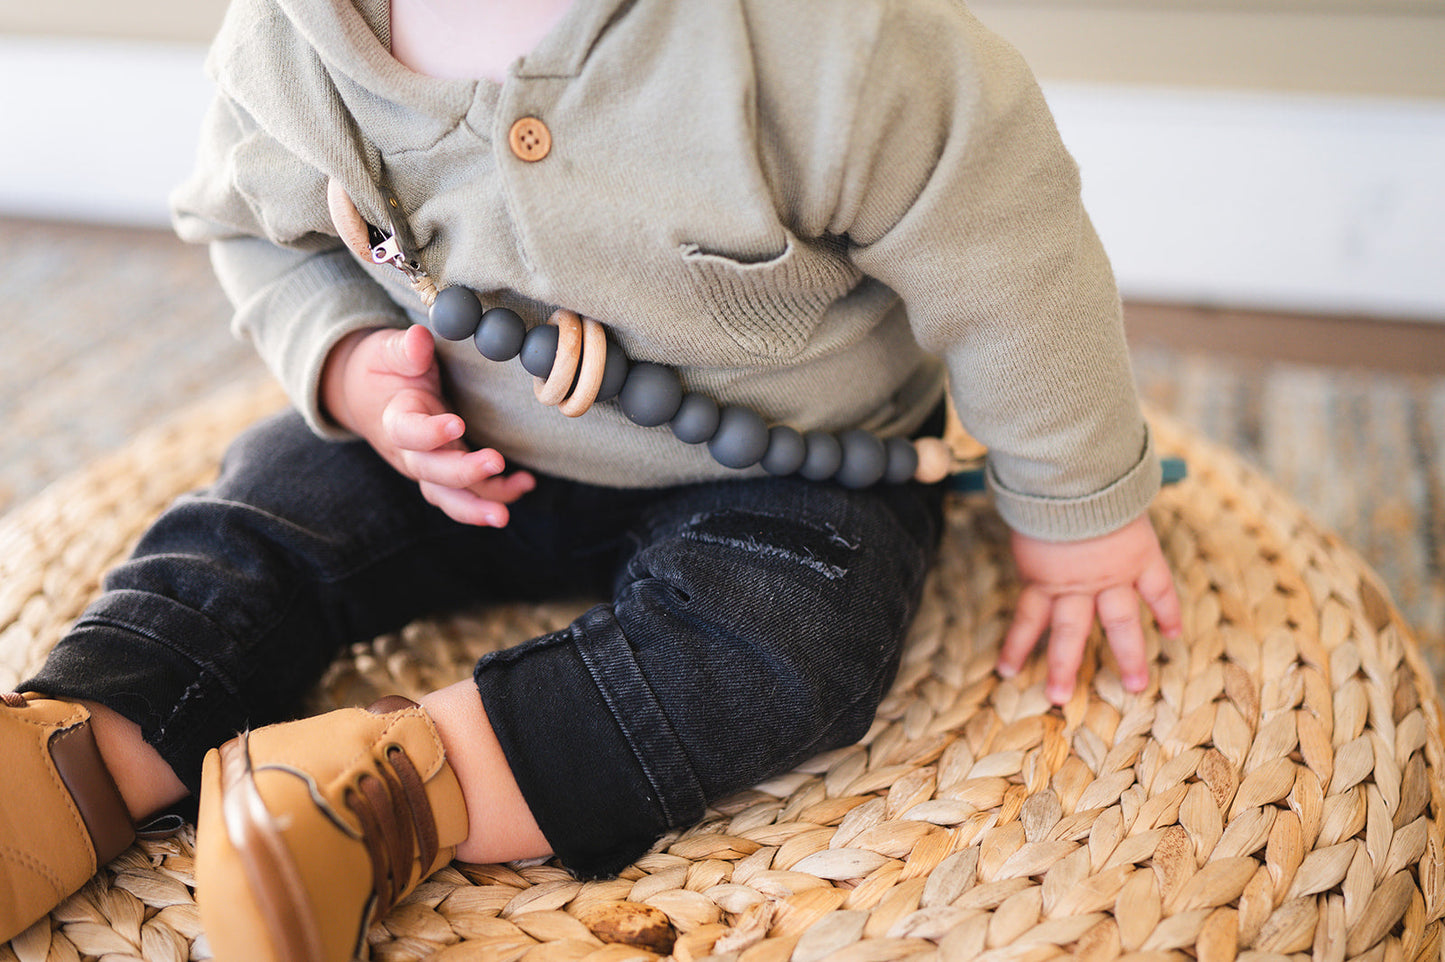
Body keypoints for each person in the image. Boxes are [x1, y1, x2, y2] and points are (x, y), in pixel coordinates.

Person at [0, 0, 1182, 958]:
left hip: (778, 464)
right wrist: (353, 367)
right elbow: (259, 231)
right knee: (262, 506)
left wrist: (1074, 508)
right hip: (452, 445)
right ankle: (90, 743)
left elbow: (1009, 251)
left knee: (792, 634)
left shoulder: (822, 43)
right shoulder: (292, 41)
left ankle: (397, 785)